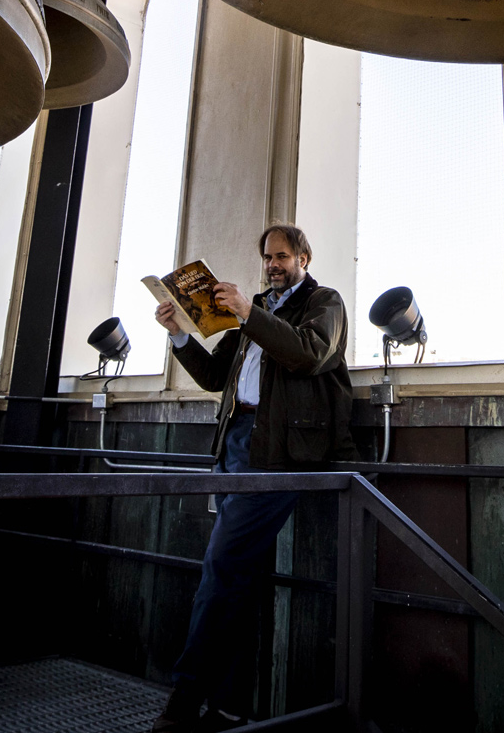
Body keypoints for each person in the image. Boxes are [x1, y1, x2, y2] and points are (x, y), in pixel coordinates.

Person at [151, 223, 356, 731]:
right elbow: (218, 377)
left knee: (221, 569)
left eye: (283, 256)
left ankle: (185, 697)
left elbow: (308, 353)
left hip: (279, 454)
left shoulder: (324, 302)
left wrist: (248, 312)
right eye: (268, 257)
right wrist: (179, 332)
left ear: (304, 258)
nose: (273, 264)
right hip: (235, 445)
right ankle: (229, 706)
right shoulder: (258, 306)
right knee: (237, 576)